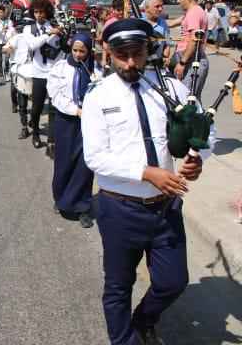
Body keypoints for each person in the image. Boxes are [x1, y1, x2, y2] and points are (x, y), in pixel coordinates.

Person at [82, 18, 204, 345]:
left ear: (147, 49)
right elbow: (95, 157)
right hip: (120, 209)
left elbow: (203, 127)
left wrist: (196, 156)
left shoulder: (170, 89)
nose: (130, 62)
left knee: (173, 282)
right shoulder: (98, 96)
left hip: (165, 208)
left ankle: (144, 320)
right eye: (122, 55)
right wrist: (146, 172)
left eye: (136, 53)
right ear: (108, 53)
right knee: (119, 287)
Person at [47, 33, 98, 228]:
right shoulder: (60, 68)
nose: (78, 54)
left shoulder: (96, 70)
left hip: (89, 122)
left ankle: (83, 207)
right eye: (75, 50)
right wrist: (75, 110)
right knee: (64, 161)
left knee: (85, 164)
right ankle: (61, 199)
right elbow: (55, 94)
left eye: (82, 51)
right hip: (66, 120)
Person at [23, 0, 63, 155]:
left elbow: (59, 49)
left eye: (42, 12)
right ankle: (36, 133)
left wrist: (60, 34)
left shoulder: (52, 26)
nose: (39, 15)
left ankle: (52, 141)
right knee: (37, 107)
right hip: (38, 72)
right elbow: (33, 45)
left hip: (52, 72)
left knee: (53, 108)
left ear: (47, 12)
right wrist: (48, 33)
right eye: (36, 12)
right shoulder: (28, 29)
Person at [168, 0, 209, 98]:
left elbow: (194, 39)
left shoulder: (194, 13)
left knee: (188, 98)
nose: (178, 1)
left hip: (191, 59)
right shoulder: (192, 12)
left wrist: (182, 63)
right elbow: (173, 23)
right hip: (188, 57)